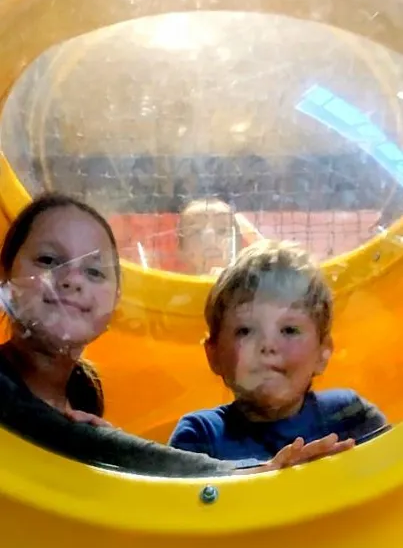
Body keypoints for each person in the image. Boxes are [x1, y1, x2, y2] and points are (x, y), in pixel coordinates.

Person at [0, 194, 352, 477]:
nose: (71, 278)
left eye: (94, 272)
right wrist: (258, 473)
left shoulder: (82, 397)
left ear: (115, 301)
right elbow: (67, 439)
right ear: (5, 275)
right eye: (48, 260)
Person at [169, 240, 388, 461]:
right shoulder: (201, 435)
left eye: (289, 330)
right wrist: (272, 478)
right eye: (245, 331)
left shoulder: (350, 414)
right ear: (213, 355)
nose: (267, 345)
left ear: (323, 352)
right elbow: (186, 494)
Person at [177, 198, 242, 275]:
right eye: (197, 232)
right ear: (181, 248)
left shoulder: (249, 283)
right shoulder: (170, 284)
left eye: (222, 230)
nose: (210, 239)